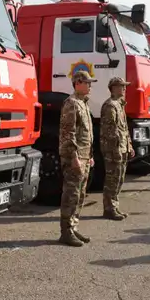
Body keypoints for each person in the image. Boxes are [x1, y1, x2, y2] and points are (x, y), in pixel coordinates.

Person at [58, 70, 96, 247]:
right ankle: (65, 231)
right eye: (87, 82)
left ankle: (73, 226)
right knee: (71, 194)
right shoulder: (71, 103)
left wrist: (89, 156)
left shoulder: (83, 103)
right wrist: (74, 158)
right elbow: (68, 133)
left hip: (84, 156)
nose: (90, 85)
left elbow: (86, 134)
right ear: (78, 82)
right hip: (74, 157)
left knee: (80, 195)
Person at [100, 77, 135, 220]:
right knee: (112, 179)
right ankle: (109, 209)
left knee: (119, 179)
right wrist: (115, 150)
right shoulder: (110, 106)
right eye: (121, 86)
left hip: (122, 148)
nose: (124, 89)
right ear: (113, 88)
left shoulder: (119, 105)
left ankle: (114, 206)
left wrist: (129, 146)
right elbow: (110, 132)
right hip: (113, 149)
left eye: (124, 86)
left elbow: (124, 129)